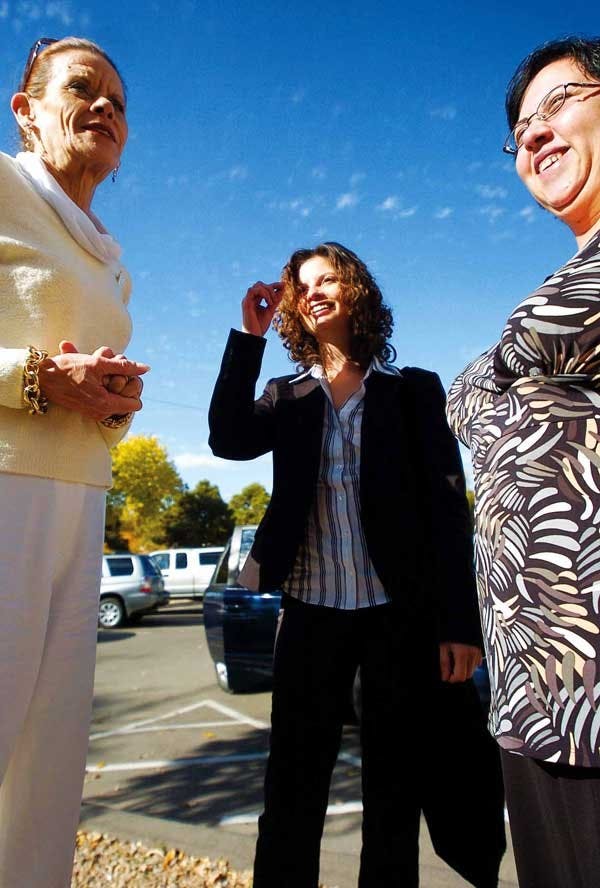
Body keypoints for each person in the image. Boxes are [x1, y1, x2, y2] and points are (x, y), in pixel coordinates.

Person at [209, 242, 506, 888]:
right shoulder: (285, 396)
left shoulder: (414, 393)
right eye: (301, 284)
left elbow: (450, 514)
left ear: (356, 290)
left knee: (393, 797)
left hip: (395, 621)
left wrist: (460, 623)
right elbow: (226, 440)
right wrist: (246, 336)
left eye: (327, 278)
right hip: (311, 616)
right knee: (291, 790)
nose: (313, 290)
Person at [446, 35, 600, 888]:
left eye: (559, 104)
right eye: (520, 127)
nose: (535, 133)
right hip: (530, 692)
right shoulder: (568, 270)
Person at [0, 36, 148, 887]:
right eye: (81, 88)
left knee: (47, 776)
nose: (104, 108)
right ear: (24, 111)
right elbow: (37, 377)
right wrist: (34, 376)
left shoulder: (111, 257)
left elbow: (88, 409)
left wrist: (114, 408)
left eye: (118, 103)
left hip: (78, 504)